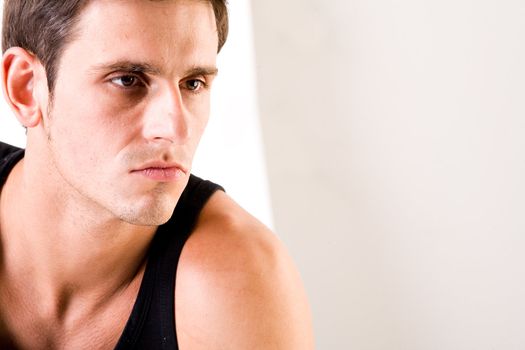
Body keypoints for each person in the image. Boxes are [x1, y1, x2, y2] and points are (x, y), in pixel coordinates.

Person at [0, 0, 314, 348]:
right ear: (26, 88)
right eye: (128, 80)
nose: (175, 128)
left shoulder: (235, 281)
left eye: (193, 83)